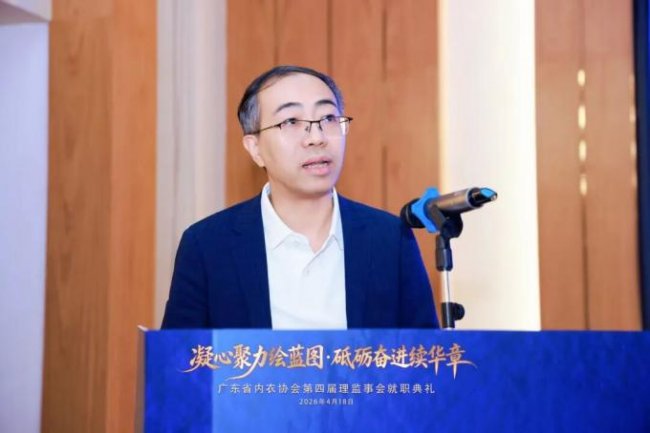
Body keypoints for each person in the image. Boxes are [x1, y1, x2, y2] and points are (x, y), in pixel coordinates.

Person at [161, 65, 438, 329]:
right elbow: (179, 359)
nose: (316, 137)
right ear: (255, 148)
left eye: (328, 119)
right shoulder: (207, 246)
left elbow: (425, 355)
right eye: (291, 121)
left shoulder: (389, 239)